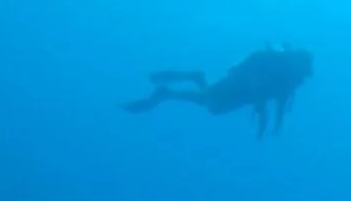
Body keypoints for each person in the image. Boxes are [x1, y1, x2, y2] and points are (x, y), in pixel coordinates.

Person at [123, 44, 314, 138]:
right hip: (237, 86)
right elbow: (257, 73)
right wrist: (260, 106)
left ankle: (182, 86)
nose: (302, 76)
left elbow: (279, 102)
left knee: (211, 105)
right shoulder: (273, 62)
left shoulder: (289, 81)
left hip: (242, 94)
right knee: (210, 102)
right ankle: (175, 89)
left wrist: (269, 125)